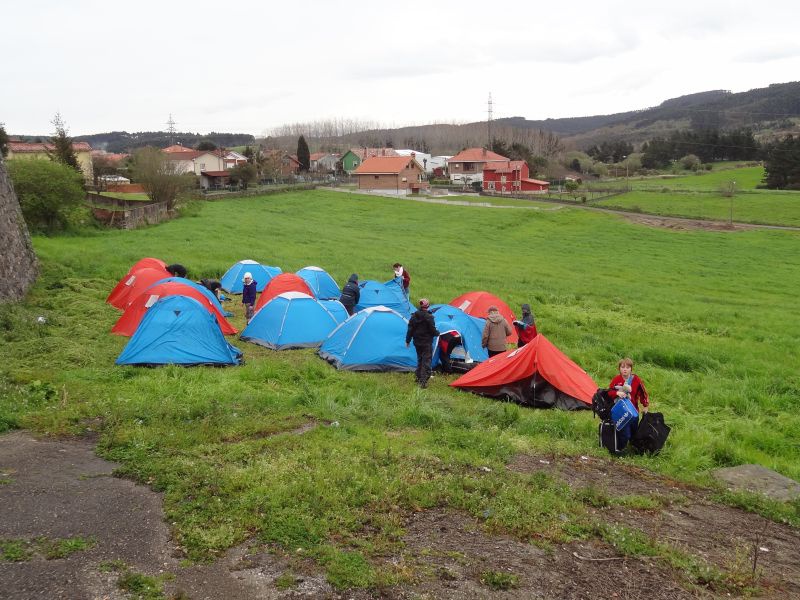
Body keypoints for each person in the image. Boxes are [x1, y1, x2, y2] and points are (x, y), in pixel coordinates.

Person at [608, 357, 650, 449]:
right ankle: (620, 450)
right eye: (622, 367)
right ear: (619, 369)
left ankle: (632, 448)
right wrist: (617, 393)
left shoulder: (636, 380)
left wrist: (645, 406)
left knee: (633, 433)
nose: (625, 370)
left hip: (634, 411)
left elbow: (643, 393)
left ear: (631, 369)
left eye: (627, 367)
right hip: (621, 412)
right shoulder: (616, 380)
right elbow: (609, 392)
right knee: (625, 434)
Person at [406, 298, 440, 388]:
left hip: (417, 342)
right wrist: (438, 333)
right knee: (426, 361)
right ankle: (423, 382)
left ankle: (418, 377)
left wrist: (407, 340)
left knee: (420, 359)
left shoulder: (414, 316)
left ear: (420, 306)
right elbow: (433, 331)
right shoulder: (430, 317)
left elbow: (410, 329)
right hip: (426, 343)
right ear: (428, 306)